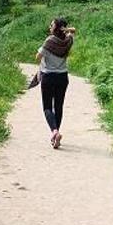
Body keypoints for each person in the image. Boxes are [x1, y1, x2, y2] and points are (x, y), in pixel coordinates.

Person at [35, 17, 75, 149]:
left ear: (56, 28)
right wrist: (66, 30)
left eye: (51, 25)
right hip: (62, 77)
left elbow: (38, 57)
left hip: (48, 77)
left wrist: (42, 53)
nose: (49, 27)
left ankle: (54, 131)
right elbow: (73, 31)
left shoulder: (50, 41)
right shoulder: (68, 40)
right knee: (58, 106)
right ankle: (56, 135)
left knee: (47, 107)